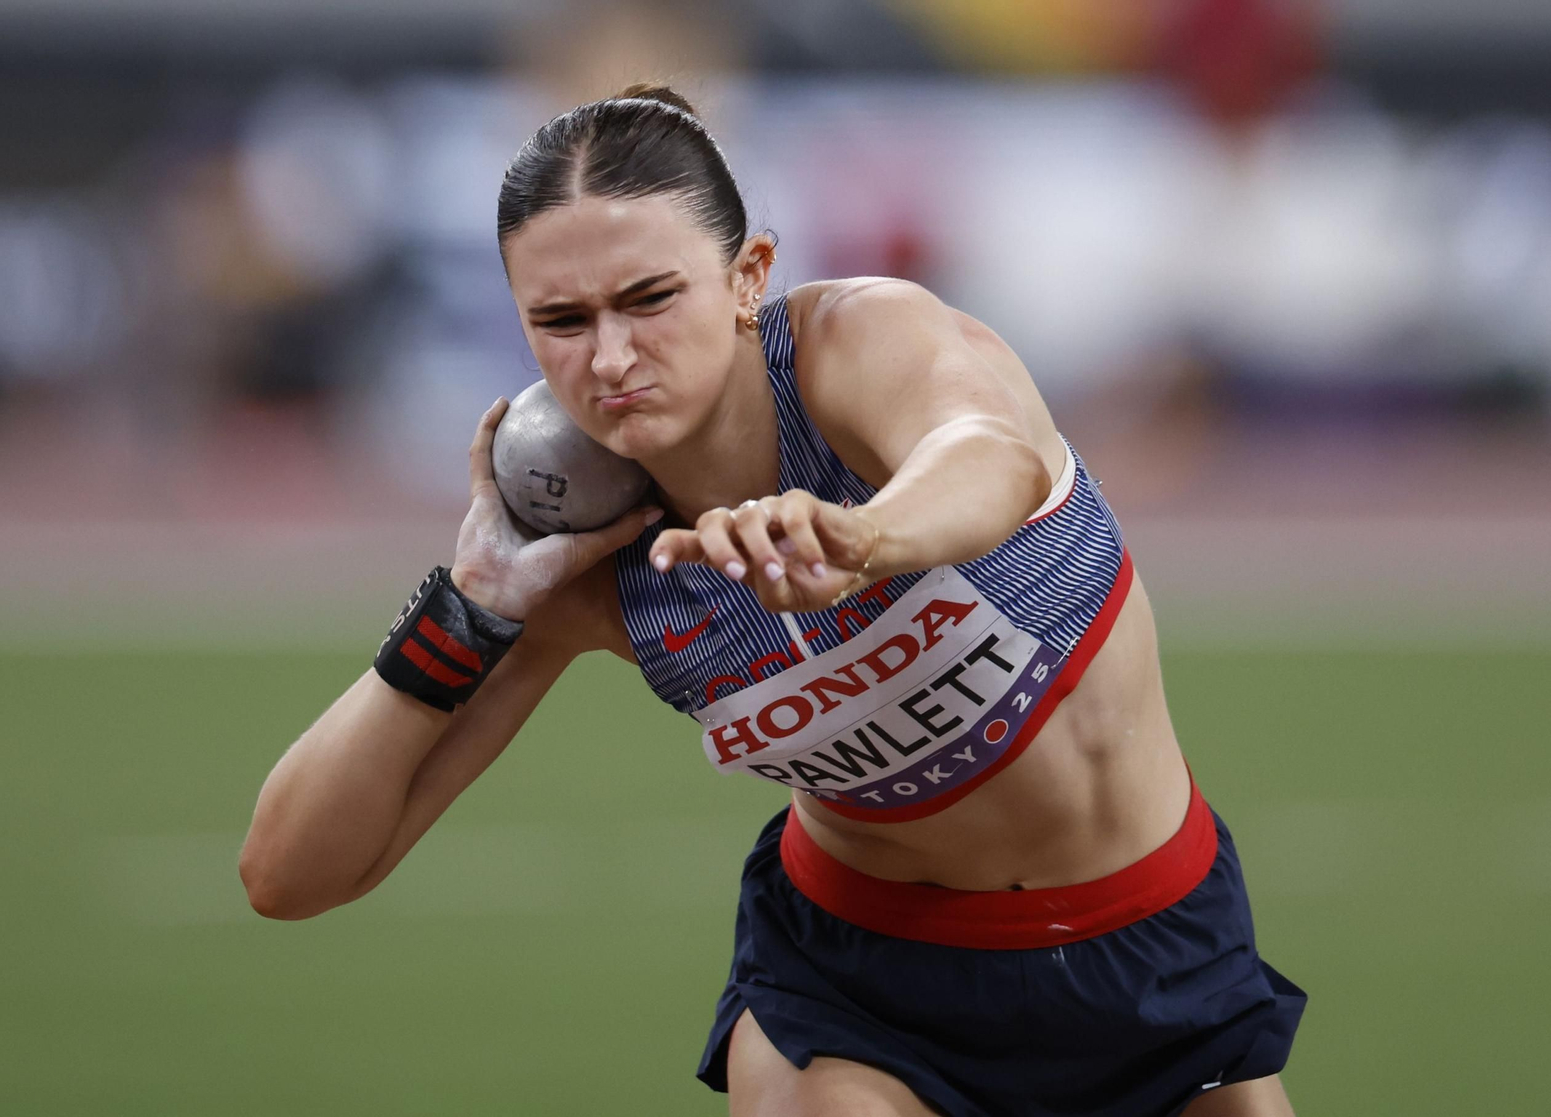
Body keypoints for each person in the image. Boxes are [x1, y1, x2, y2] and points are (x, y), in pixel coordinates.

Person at [240, 85, 1305, 1117]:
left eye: (649, 298)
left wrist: (862, 539)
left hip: (1153, 938)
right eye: (559, 320)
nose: (609, 358)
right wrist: (469, 605)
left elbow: (988, 457)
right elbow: (292, 872)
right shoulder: (591, 555)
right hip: (862, 989)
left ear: (748, 274)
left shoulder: (859, 349)